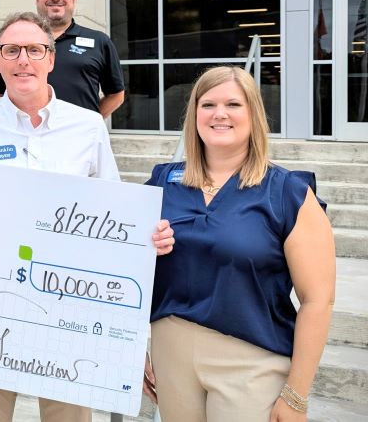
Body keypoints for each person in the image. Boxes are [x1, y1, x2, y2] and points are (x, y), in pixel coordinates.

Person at [0, 11, 174, 422]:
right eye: (11, 50)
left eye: (35, 50)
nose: (23, 60)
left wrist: (147, 236)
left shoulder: (87, 127)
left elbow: (112, 213)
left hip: (67, 306)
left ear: (51, 59)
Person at [143, 66, 335, 422]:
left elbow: (317, 300)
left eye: (233, 104)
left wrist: (296, 395)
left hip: (251, 362)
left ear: (253, 114)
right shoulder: (161, 184)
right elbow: (124, 269)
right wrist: (133, 348)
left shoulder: (288, 193)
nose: (219, 114)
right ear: (194, 115)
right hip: (170, 355)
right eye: (208, 104)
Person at [0, 0, 125, 118]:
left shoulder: (99, 41)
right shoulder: (14, 42)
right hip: (29, 131)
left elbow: (116, 95)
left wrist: (89, 122)